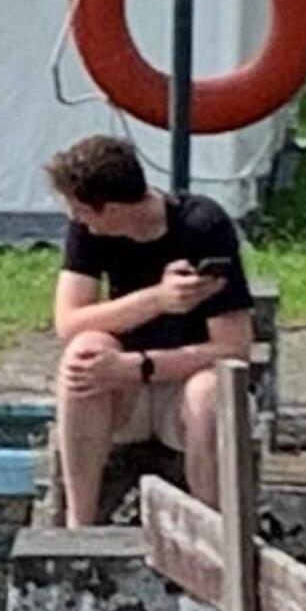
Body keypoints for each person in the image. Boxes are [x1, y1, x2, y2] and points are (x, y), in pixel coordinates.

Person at [47, 134, 254, 526]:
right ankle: (80, 524)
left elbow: (233, 348)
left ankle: (214, 536)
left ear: (109, 210)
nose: (76, 219)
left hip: (184, 388)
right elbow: (68, 322)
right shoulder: (89, 232)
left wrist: (136, 366)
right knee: (83, 353)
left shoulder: (201, 225)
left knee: (211, 393)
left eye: (81, 211)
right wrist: (158, 300)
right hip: (124, 395)